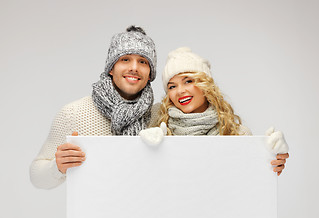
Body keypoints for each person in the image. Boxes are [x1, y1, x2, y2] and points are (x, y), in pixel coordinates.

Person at [30, 25, 159, 189]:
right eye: (125, 59)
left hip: (148, 211)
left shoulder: (160, 114)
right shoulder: (74, 113)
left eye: (143, 61)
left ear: (150, 75)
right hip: (94, 212)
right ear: (111, 68)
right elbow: (36, 176)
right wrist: (58, 166)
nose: (134, 67)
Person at [139, 47, 289, 175]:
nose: (180, 91)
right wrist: (146, 148)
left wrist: (272, 159)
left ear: (205, 84)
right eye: (172, 86)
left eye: (188, 81)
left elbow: (247, 183)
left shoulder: (235, 133)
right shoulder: (158, 124)